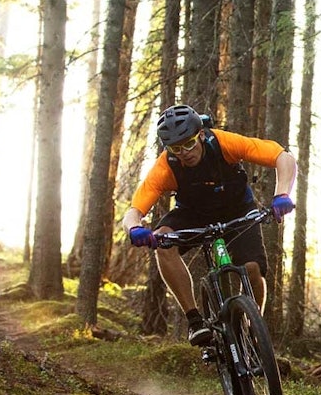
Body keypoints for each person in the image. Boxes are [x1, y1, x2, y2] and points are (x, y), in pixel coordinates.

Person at [122, 104, 298, 346]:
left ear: (201, 134)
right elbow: (134, 211)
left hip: (238, 209)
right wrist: (135, 229)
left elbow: (282, 156)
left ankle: (254, 328)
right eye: (176, 147)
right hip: (193, 214)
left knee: (251, 268)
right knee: (163, 243)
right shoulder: (166, 166)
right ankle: (194, 321)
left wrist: (282, 194)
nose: (184, 152)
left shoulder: (224, 143)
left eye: (189, 143)